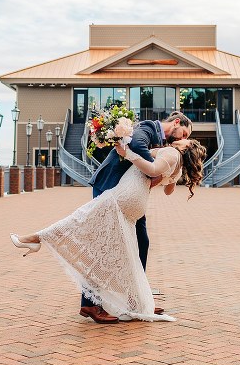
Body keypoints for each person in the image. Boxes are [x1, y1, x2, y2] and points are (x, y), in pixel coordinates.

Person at [10, 138, 207, 323]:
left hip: (125, 196)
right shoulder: (178, 166)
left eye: (186, 139)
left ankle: (35, 238)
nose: (182, 138)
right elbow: (167, 189)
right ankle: (134, 301)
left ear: (186, 146)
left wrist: (127, 153)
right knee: (123, 253)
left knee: (79, 221)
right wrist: (168, 175)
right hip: (137, 203)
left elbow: (153, 168)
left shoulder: (172, 153)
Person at [80, 110, 193, 322]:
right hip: (110, 187)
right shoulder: (149, 128)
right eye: (184, 133)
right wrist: (155, 168)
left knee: (142, 243)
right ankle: (89, 304)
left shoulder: (162, 141)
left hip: (128, 195)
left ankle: (138, 299)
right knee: (105, 245)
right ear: (176, 122)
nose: (183, 139)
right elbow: (137, 146)